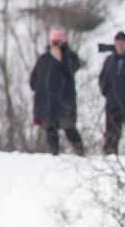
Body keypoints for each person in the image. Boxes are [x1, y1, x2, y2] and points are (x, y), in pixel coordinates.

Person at [28, 27, 85, 156]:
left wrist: (61, 60)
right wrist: (38, 88)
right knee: (50, 128)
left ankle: (80, 153)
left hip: (64, 102)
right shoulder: (43, 59)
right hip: (46, 102)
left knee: (69, 127)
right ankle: (54, 154)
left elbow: (74, 68)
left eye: (57, 42)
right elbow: (33, 79)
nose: (55, 45)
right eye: (53, 42)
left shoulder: (70, 57)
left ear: (63, 42)